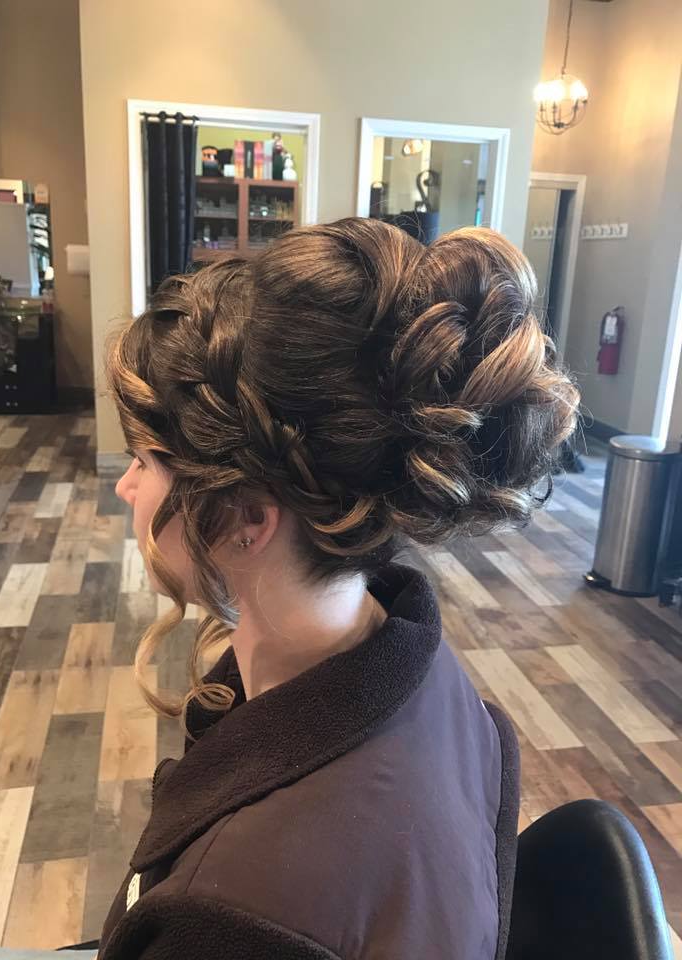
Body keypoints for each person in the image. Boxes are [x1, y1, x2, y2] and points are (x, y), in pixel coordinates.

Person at [100, 218, 579, 960]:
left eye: (145, 460)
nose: (126, 486)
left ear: (246, 517)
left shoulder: (228, 914)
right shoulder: (428, 674)